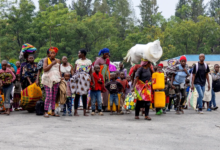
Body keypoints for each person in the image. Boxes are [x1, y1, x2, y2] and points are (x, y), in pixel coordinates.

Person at [72, 49, 94, 116]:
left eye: (79, 53)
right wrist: (73, 78)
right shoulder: (77, 61)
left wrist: (93, 81)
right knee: (77, 95)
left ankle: (85, 112)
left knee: (84, 95)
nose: (78, 54)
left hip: (85, 79)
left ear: (83, 54)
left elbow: (90, 72)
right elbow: (74, 70)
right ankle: (75, 111)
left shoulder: (89, 61)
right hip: (78, 78)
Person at [42, 47, 61, 118]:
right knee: (49, 96)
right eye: (51, 53)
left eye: (54, 53)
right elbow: (45, 69)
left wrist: (60, 77)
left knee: (54, 96)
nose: (52, 54)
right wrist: (52, 64)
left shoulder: (58, 60)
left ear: (56, 54)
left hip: (56, 80)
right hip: (47, 80)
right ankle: (46, 111)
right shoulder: (46, 60)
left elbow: (59, 70)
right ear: (49, 54)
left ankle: (53, 111)